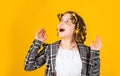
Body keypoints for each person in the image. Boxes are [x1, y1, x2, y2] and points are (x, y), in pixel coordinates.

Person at [24, 11, 102, 76]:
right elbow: (28, 66)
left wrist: (95, 53)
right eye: (61, 21)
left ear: (76, 28)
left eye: (67, 21)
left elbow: (94, 75)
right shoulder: (50, 49)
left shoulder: (86, 51)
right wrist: (37, 42)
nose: (61, 23)